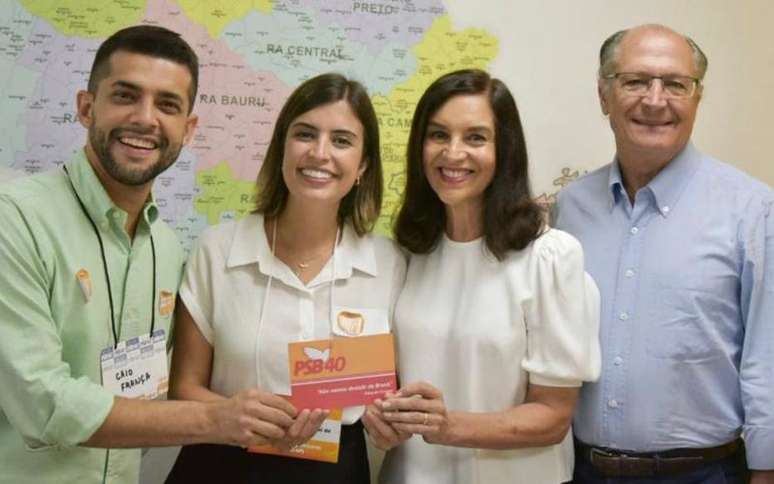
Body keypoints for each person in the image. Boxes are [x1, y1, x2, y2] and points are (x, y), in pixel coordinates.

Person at [0, 25, 303, 484]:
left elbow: (152, 391)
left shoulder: (166, 248)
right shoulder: (17, 221)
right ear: (86, 107)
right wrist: (218, 420)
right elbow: (42, 402)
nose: (146, 119)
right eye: (125, 96)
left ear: (189, 127)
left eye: (168, 105)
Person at [554, 24, 774, 484]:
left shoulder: (753, 210)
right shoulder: (568, 208)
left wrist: (766, 469)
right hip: (580, 469)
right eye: (635, 81)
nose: (655, 100)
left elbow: (766, 357)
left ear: (696, 98)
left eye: (676, 84)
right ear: (603, 95)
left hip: (706, 473)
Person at [165, 72, 407, 483]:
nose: (319, 153)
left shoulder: (388, 263)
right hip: (222, 463)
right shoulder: (219, 250)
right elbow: (183, 388)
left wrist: (390, 421)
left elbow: (386, 394)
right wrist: (230, 415)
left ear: (363, 165)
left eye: (342, 140)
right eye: (305, 134)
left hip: (337, 470)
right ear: (282, 148)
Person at [374, 69, 601, 484]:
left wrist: (448, 427)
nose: (452, 153)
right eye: (438, 135)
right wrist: (381, 418)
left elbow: (553, 417)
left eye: (475, 137)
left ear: (504, 151)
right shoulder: (408, 253)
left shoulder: (550, 257)